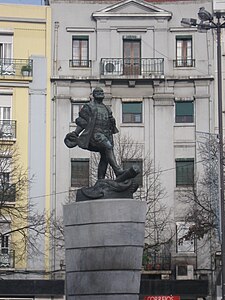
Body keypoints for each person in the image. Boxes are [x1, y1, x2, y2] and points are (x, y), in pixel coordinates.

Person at [64, 87, 124, 180]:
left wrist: (112, 121)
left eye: (101, 92)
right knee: (108, 147)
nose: (100, 93)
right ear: (94, 95)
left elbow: (111, 123)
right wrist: (76, 133)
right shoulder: (89, 106)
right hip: (95, 134)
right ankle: (117, 170)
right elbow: (82, 121)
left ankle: (101, 180)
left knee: (105, 157)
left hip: (107, 134)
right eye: (97, 92)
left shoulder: (107, 108)